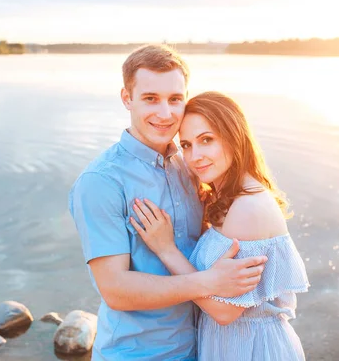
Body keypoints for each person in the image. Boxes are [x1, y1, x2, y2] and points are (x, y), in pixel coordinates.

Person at [68, 45, 268, 361]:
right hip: (138, 354)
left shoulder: (190, 166)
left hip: (201, 346)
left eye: (175, 99)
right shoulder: (101, 182)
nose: (165, 114)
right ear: (126, 98)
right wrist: (208, 282)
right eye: (151, 99)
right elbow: (115, 290)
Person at [130, 91, 310, 360]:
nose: (195, 156)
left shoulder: (248, 208)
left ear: (234, 137)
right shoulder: (232, 197)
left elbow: (225, 312)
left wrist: (166, 249)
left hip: (251, 348)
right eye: (187, 145)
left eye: (207, 140)